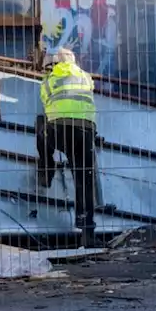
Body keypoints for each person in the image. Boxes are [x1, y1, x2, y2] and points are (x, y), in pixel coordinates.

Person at [36, 48, 100, 247]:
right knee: (84, 180)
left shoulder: (49, 80)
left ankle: (47, 168)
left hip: (60, 130)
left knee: (40, 125)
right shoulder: (86, 77)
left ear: (53, 65)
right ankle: (87, 231)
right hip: (86, 131)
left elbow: (47, 104)